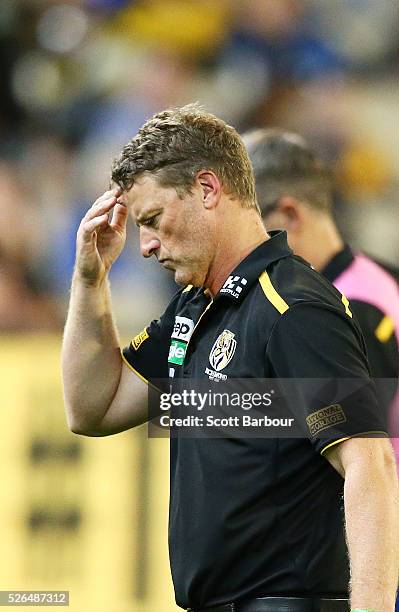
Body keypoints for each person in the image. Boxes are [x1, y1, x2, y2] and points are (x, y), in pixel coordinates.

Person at [62, 104, 399, 612]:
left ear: (207, 188)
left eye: (152, 220)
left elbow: (369, 465)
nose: (146, 246)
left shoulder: (295, 307)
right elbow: (93, 408)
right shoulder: (194, 309)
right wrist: (90, 280)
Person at [243, 128, 399, 454]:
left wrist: (195, 408)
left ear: (289, 214)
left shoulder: (352, 312)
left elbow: (360, 453)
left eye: (247, 225)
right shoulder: (376, 276)